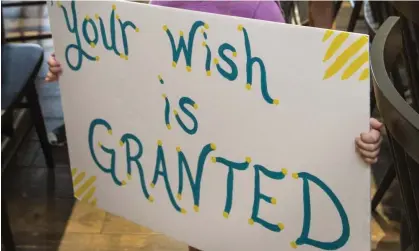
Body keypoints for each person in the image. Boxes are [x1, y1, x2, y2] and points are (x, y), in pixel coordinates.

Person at [46, 1, 383, 251]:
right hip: (201, 180)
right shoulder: (160, 6)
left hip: (259, 186)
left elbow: (300, 92)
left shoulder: (258, 10)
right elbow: (136, 76)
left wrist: (350, 130)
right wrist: (79, 67)